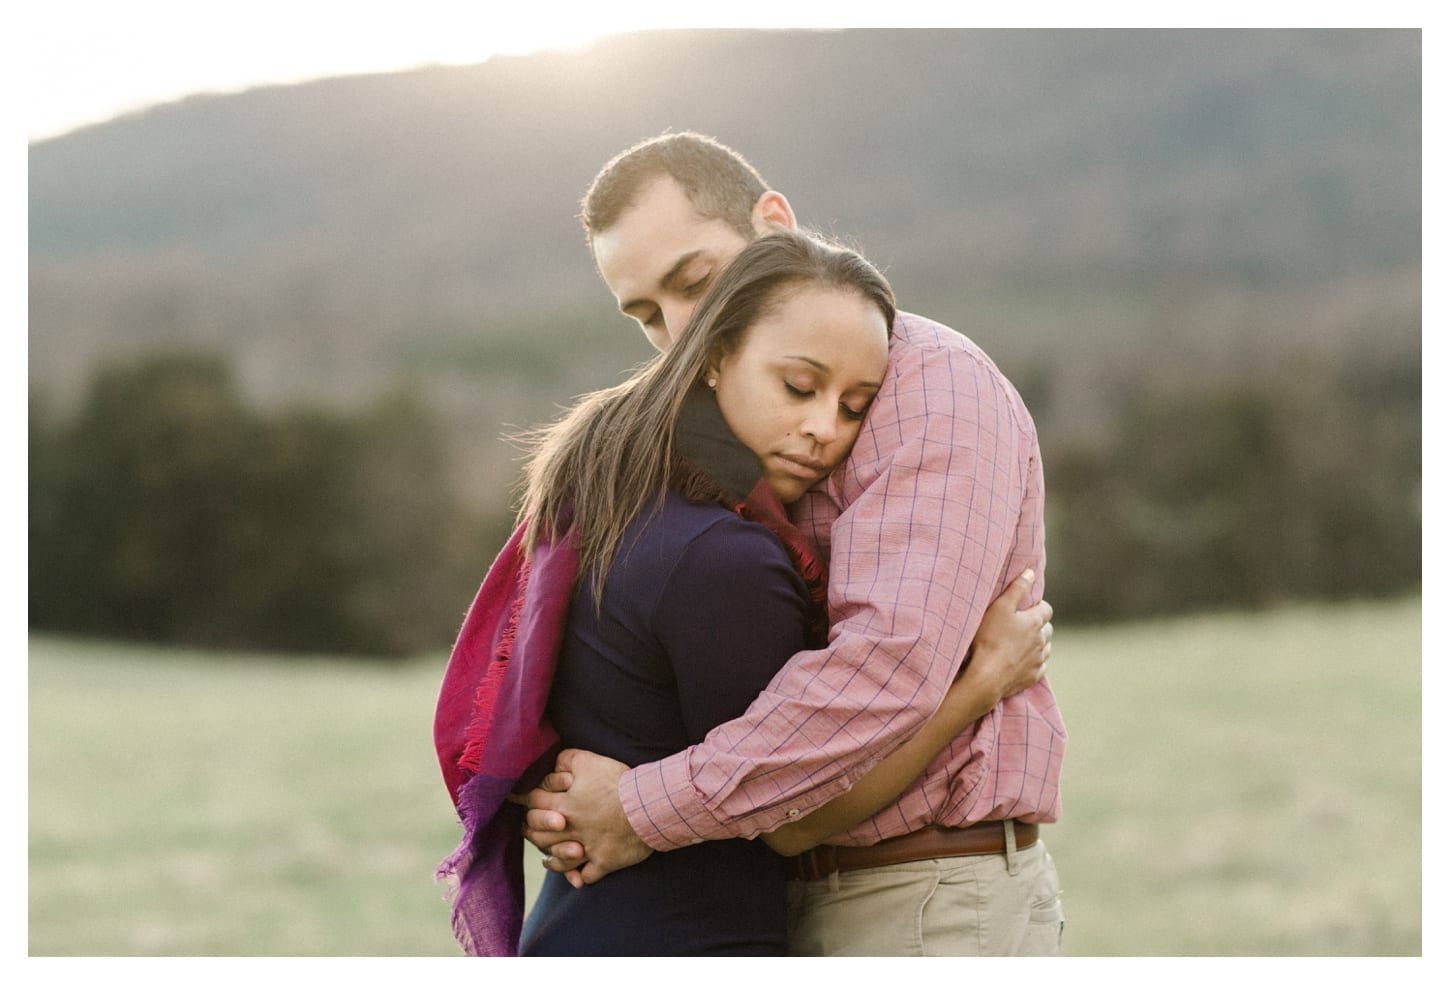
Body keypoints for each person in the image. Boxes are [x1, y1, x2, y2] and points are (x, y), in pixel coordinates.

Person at [521, 132, 1068, 957]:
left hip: (920, 892)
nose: (678, 329)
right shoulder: (703, 463)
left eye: (695, 282)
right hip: (796, 890)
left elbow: (880, 674)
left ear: (774, 222)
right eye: (646, 315)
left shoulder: (934, 389)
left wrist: (638, 807)